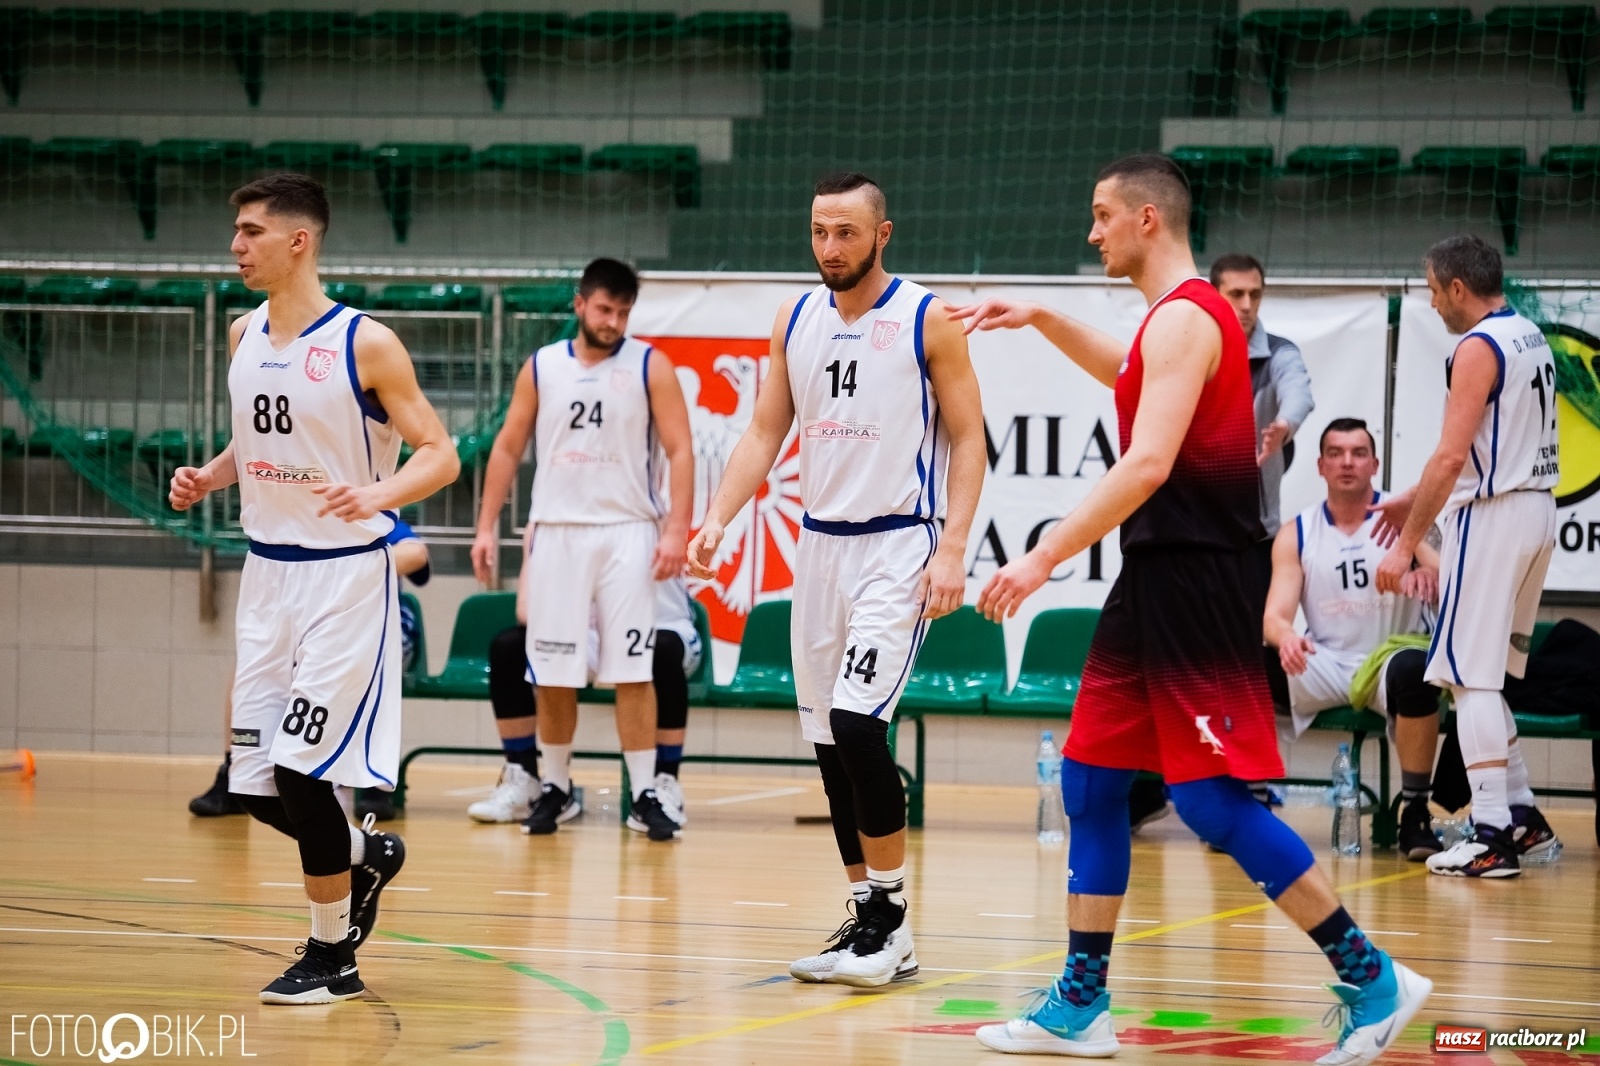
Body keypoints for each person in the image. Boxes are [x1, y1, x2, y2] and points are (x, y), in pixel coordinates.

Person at [950, 154, 1431, 1062]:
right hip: (1156, 583)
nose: (1090, 233)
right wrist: (1044, 315)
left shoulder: (1187, 318)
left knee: (1210, 804)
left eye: (1100, 216)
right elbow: (1129, 372)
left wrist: (1045, 555)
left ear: (1145, 219)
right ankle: (1081, 1005)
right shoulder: (1173, 325)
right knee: (1089, 782)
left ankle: (1374, 979)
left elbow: (1146, 465)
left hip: (1201, 585)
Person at [688, 172, 986, 989]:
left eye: (847, 232)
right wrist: (718, 517)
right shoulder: (795, 316)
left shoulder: (927, 318)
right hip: (818, 551)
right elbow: (761, 430)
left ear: (883, 234)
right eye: (819, 230)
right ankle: (868, 921)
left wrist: (953, 549)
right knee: (826, 741)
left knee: (859, 726)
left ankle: (890, 923)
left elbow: (969, 440)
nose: (830, 247)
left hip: (897, 547)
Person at [169, 172, 460, 1004]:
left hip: (342, 583)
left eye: (251, 231)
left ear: (299, 241)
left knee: (302, 775)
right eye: (237, 230)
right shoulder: (242, 333)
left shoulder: (365, 343)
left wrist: (379, 494)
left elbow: (439, 452)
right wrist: (210, 478)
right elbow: (253, 438)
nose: (236, 245)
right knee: (251, 784)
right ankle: (369, 859)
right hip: (268, 578)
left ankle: (333, 956)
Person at [470, 258, 694, 843]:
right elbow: (506, 448)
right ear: (580, 304)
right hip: (557, 532)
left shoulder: (651, 365)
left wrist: (676, 530)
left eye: (623, 312)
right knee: (553, 669)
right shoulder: (543, 367)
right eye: (604, 309)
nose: (613, 321)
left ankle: (645, 790)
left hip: (627, 532)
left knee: (632, 668)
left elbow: (681, 450)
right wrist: (486, 526)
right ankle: (557, 786)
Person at [1373, 234, 1561, 879]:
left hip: (1494, 518)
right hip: (1536, 510)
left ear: (1458, 287)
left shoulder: (1476, 347)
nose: (1430, 301)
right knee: (1490, 672)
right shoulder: (1527, 335)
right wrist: (1412, 499)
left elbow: (1453, 457)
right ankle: (1524, 816)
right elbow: (1487, 449)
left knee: (1466, 677)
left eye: (1431, 288)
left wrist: (1404, 546)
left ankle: (1490, 836)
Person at [1263, 418, 1444, 861]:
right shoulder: (1297, 531)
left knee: (1414, 671)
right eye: (1337, 453)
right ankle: (1245, 792)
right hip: (1325, 661)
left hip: (1388, 660)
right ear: (1321, 465)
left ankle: (1415, 813)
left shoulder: (1405, 515)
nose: (1347, 462)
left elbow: (1453, 583)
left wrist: (1420, 556)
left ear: (1374, 464)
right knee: (1244, 657)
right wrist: (1286, 637)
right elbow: (1274, 616)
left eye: (1358, 453)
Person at [188, 517, 431, 820]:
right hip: (309, 626)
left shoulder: (364, 514)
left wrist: (349, 571)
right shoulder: (292, 525)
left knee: (357, 656)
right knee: (247, 660)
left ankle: (371, 783)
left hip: (379, 629)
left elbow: (416, 553)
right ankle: (234, 767)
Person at [468, 573, 702, 826]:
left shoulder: (646, 533)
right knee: (512, 647)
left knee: (661, 651)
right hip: (585, 635)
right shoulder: (556, 534)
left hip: (658, 625)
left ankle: (661, 784)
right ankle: (534, 783)